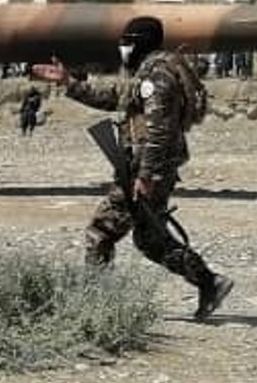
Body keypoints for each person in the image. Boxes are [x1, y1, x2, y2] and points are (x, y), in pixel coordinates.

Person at [33, 17, 233, 321]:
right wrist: (68, 83)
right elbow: (113, 97)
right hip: (144, 169)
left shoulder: (158, 77)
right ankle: (209, 282)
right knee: (150, 240)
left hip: (146, 171)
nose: (122, 47)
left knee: (100, 232)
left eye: (127, 41)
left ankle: (96, 305)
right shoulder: (145, 73)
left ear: (140, 42)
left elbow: (159, 131)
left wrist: (146, 176)